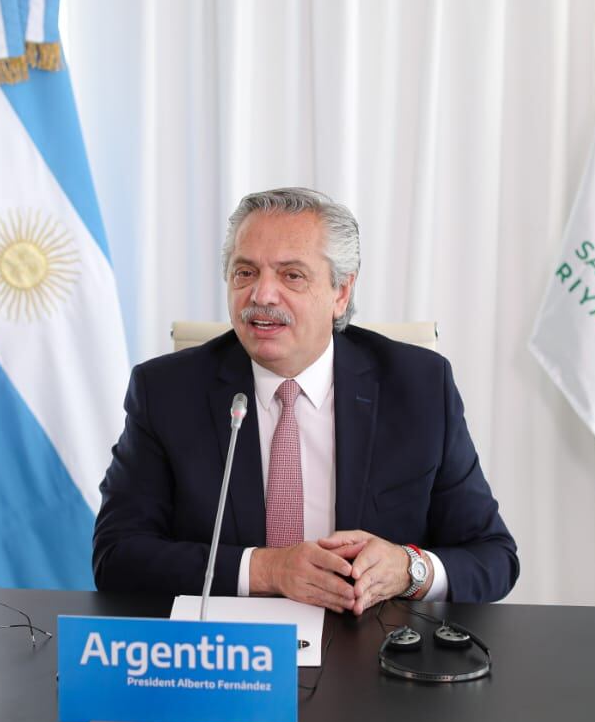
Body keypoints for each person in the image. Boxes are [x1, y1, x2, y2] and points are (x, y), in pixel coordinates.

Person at [93, 188, 518, 613]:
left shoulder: (419, 387)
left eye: (291, 275)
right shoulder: (166, 391)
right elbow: (117, 557)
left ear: (340, 293)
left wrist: (409, 569)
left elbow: (493, 557)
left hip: (372, 654)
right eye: (245, 272)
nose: (262, 295)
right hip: (227, 655)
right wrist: (267, 569)